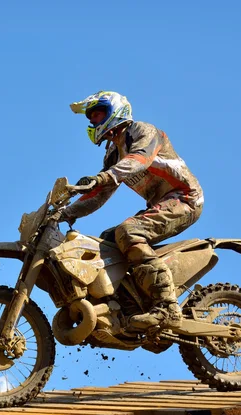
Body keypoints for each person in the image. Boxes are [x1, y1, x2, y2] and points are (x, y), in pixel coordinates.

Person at [58, 91, 204, 330]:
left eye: (98, 114)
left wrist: (104, 176)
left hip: (185, 198)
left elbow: (140, 158)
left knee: (128, 231)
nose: (94, 121)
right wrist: (65, 213)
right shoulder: (114, 154)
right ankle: (130, 307)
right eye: (91, 118)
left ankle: (167, 307)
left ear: (115, 110)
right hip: (160, 204)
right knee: (105, 241)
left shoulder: (143, 131)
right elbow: (98, 195)